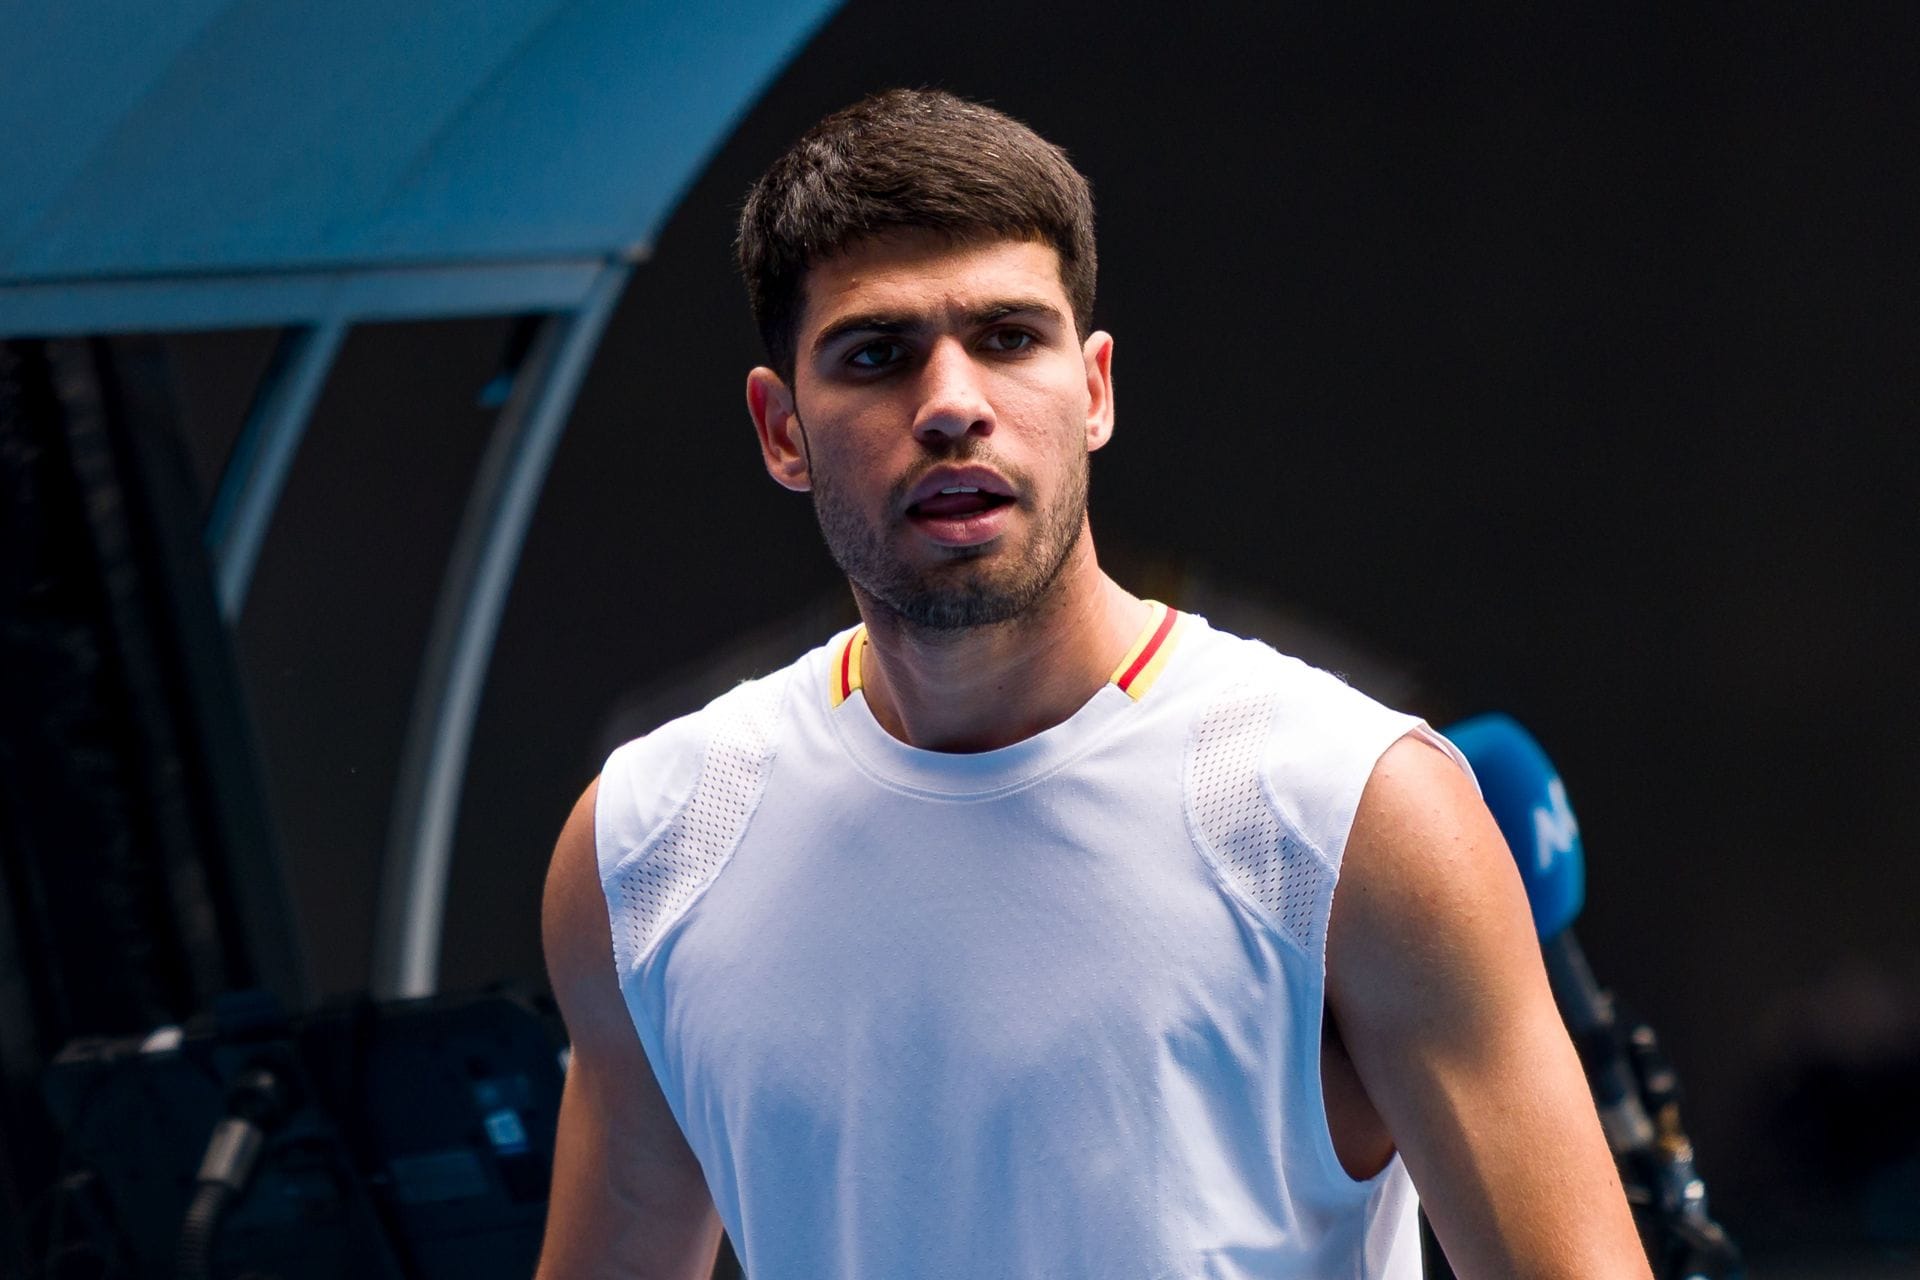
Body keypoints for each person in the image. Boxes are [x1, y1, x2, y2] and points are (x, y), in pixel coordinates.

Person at [537, 89, 1650, 1279]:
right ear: (782, 430)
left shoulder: (1352, 812)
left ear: (1095, 389)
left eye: (1010, 337)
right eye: (878, 355)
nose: (954, 403)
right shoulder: (651, 841)